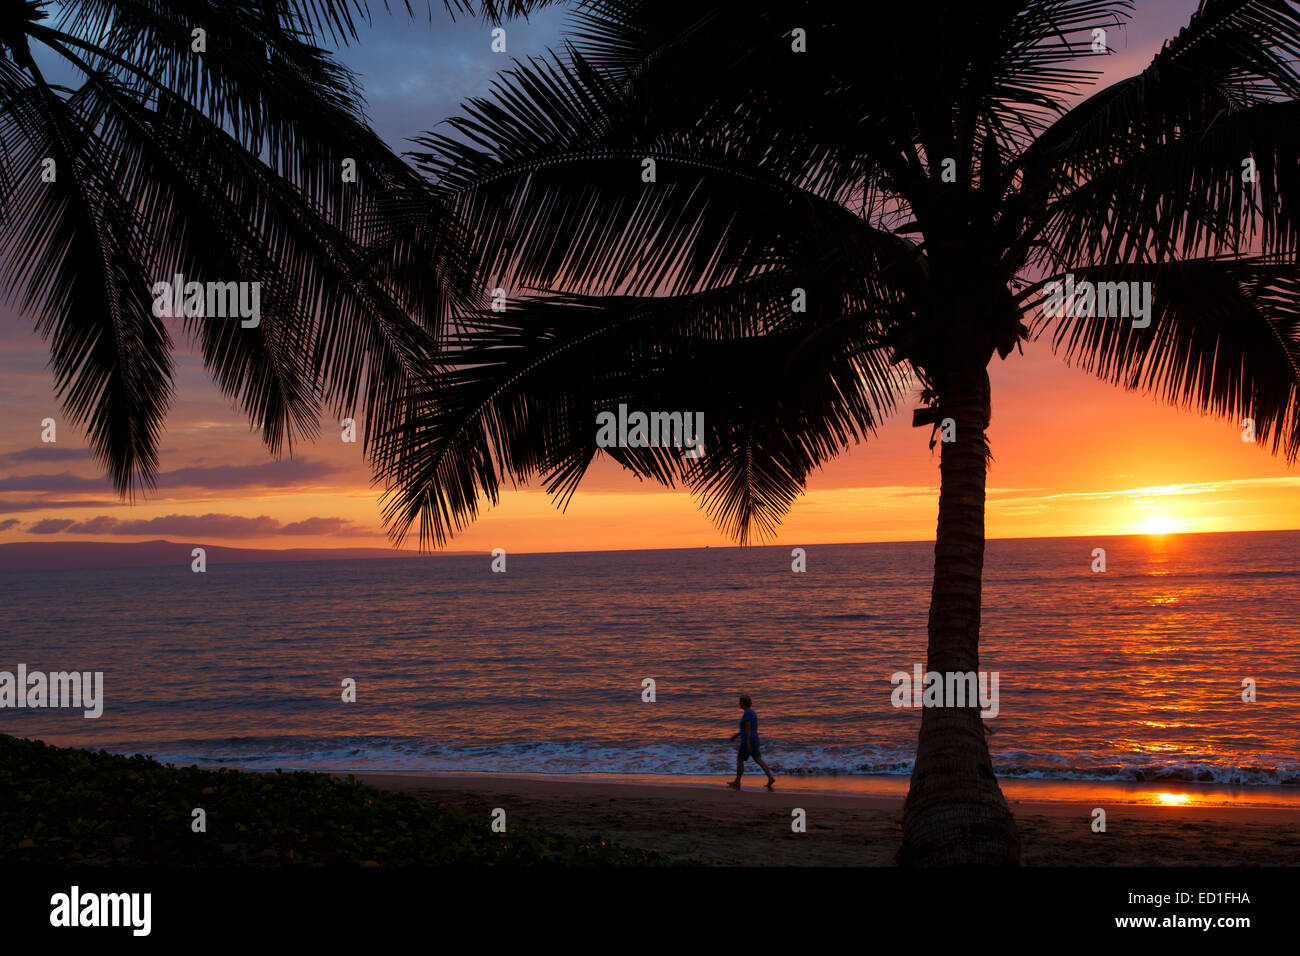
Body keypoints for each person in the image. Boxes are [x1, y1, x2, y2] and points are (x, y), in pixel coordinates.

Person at [727, 694, 776, 790]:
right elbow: (747, 728)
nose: (739, 704)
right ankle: (770, 777)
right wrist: (736, 735)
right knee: (758, 759)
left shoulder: (747, 714)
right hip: (755, 739)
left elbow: (748, 729)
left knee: (740, 760)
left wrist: (748, 743)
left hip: (748, 740)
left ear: (743, 703)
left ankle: (737, 782)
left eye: (740, 702)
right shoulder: (752, 713)